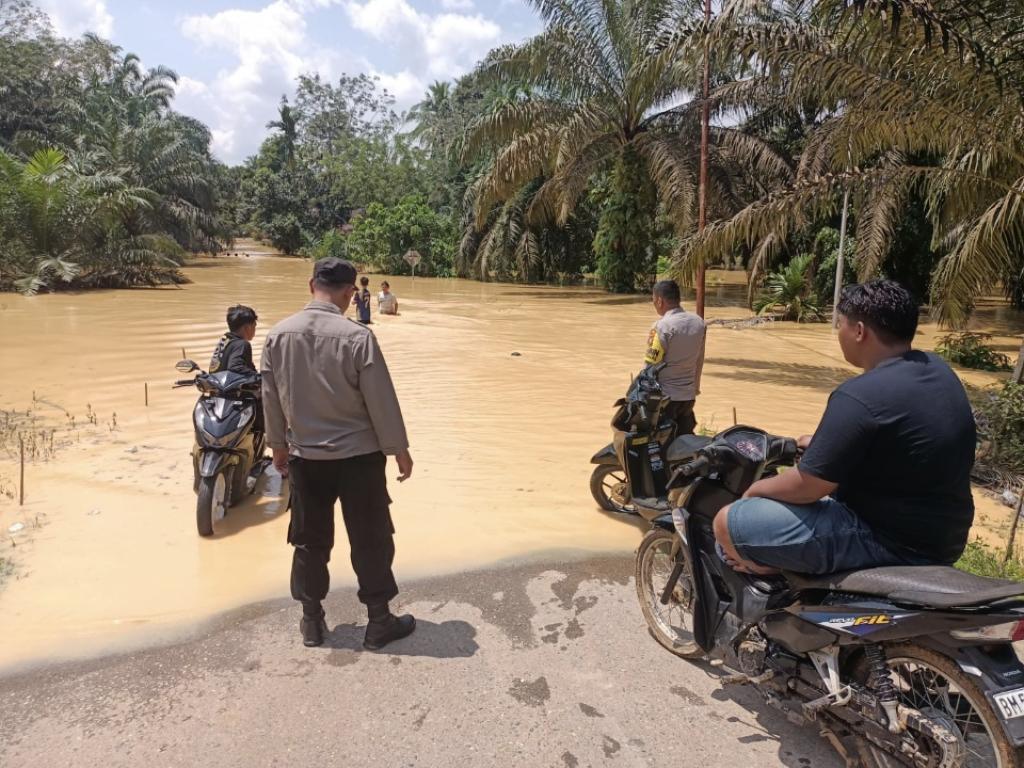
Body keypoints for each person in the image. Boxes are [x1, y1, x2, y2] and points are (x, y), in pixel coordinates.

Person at [714, 279, 976, 576]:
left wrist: (754, 491)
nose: (838, 332)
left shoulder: (858, 395)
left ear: (859, 331)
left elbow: (808, 487)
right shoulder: (938, 369)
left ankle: (767, 571)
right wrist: (820, 444)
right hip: (947, 536)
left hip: (888, 540)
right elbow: (899, 439)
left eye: (840, 323)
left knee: (727, 520)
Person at [261, 257, 416, 650]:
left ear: (311, 285)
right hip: (359, 459)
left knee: (309, 542)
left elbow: (271, 398)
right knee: (371, 539)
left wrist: (278, 446)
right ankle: (379, 622)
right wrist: (399, 450)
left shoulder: (278, 335)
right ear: (350, 293)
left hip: (305, 458)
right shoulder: (357, 336)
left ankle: (312, 622)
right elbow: (381, 400)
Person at [645, 280, 706, 436]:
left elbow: (651, 366)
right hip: (688, 397)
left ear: (659, 300)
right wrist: (695, 388)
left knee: (656, 446)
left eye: (653, 300)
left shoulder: (661, 326)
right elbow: (699, 360)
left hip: (666, 399)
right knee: (684, 442)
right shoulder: (699, 323)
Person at [210, 305, 258, 374]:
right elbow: (235, 367)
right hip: (228, 384)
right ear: (248, 327)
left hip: (216, 383)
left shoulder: (225, 340)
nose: (255, 329)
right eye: (254, 325)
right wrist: (257, 377)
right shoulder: (242, 344)